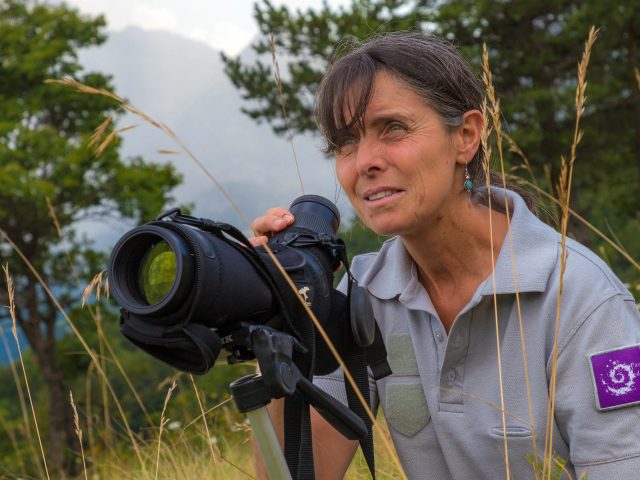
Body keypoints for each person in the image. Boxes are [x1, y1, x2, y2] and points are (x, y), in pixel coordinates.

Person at [251, 32, 640, 479]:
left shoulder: (577, 296)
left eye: (392, 129)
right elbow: (304, 472)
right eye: (345, 142)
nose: (364, 162)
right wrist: (281, 320)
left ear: (467, 136)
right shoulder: (365, 294)